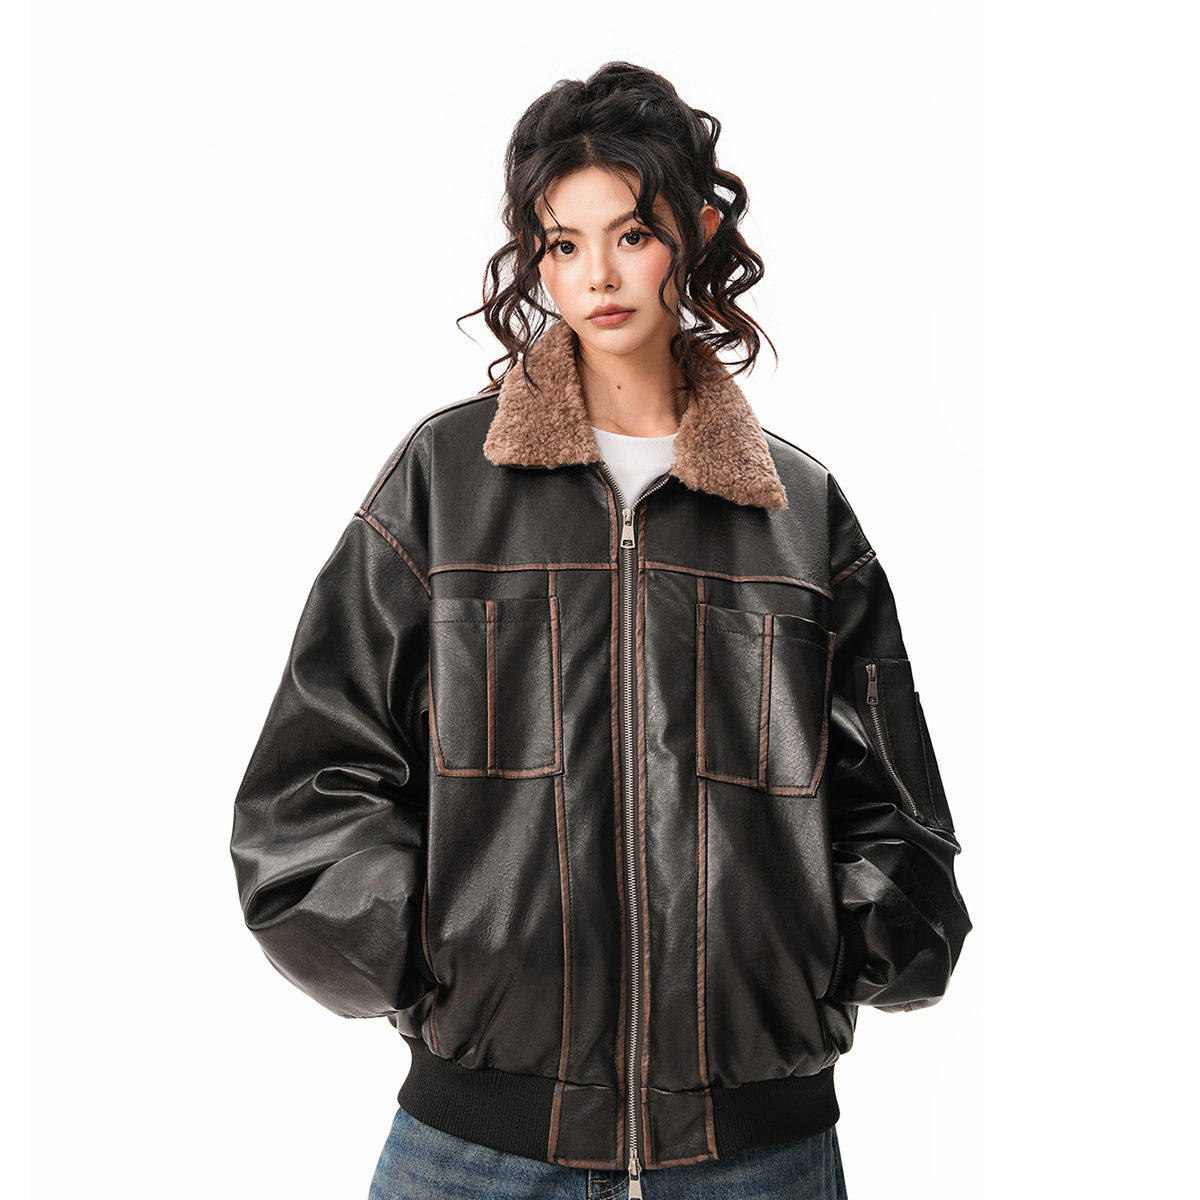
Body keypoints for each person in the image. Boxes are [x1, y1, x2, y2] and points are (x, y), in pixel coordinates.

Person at [230, 62, 971, 1199]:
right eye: (563, 244)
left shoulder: (799, 513)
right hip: (476, 1145)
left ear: (697, 233)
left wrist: (807, 959)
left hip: (756, 1151)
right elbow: (309, 783)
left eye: (632, 234)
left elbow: (899, 815)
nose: (598, 276)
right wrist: (439, 961)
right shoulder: (445, 482)